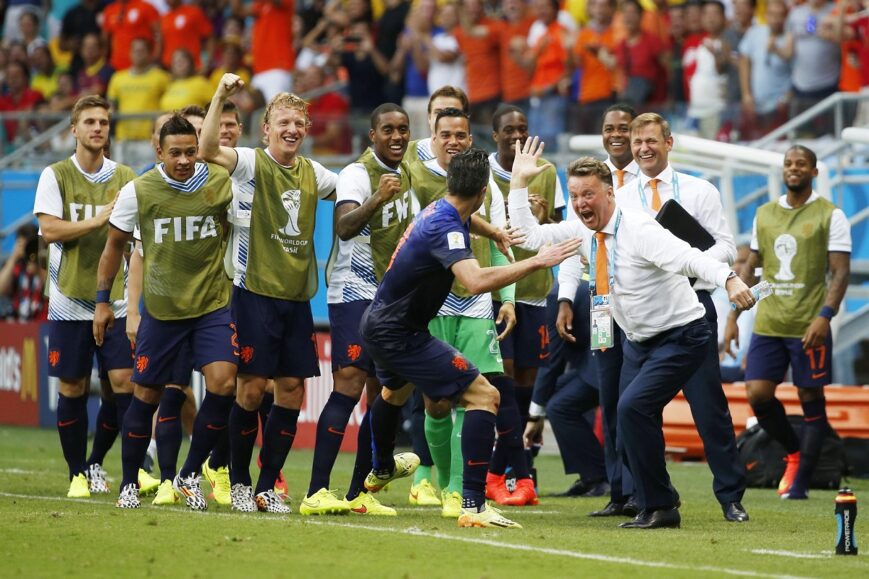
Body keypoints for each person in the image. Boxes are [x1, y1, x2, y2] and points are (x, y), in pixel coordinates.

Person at [509, 139, 755, 529]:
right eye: (574, 195)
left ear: (610, 192)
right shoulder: (584, 231)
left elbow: (689, 256)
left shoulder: (639, 227)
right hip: (636, 340)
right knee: (627, 417)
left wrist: (729, 279)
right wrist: (519, 184)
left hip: (682, 334)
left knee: (640, 409)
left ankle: (678, 504)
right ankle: (655, 500)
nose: (580, 203)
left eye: (588, 194)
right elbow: (526, 236)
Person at [360, 147, 581, 529]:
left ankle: (380, 468)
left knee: (394, 394)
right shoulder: (445, 226)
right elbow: (475, 281)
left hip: (380, 324)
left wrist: (493, 230)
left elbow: (468, 219)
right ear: (483, 191)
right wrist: (535, 261)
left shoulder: (442, 208)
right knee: (485, 395)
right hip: (400, 333)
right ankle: (474, 504)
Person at [200, 73, 339, 513]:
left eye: (299, 123)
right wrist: (221, 95)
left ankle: (265, 487)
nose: (292, 130)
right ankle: (237, 482)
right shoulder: (249, 162)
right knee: (251, 389)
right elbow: (206, 150)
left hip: (296, 300)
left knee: (293, 389)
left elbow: (353, 193)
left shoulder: (315, 174)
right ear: (266, 129)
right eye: (283, 122)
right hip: (253, 292)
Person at [94, 114, 237, 510]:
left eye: (191, 151)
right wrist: (105, 302)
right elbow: (114, 249)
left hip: (211, 305)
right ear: (158, 151)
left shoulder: (219, 182)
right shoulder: (139, 191)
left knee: (224, 384)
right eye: (175, 153)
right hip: (162, 310)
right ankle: (128, 482)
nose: (185, 160)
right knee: (146, 395)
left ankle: (190, 474)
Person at [612, 112, 748, 523]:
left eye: (651, 140)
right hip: (643, 317)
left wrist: (693, 264)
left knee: (709, 409)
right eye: (637, 143)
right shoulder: (619, 196)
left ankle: (730, 497)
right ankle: (649, 497)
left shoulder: (698, 189)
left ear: (669, 142)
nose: (643, 149)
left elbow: (726, 245)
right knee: (632, 409)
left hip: (691, 308)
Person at [411, 107, 537, 511]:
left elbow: (503, 244)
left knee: (475, 394)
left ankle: (456, 491)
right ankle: (436, 478)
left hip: (476, 304)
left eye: (461, 134)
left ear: (469, 137)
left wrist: (510, 300)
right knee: (435, 401)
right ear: (433, 136)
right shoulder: (417, 177)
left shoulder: (488, 185)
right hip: (433, 305)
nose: (453, 141)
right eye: (445, 134)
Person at [300, 103, 414, 518]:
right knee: (348, 385)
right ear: (372, 135)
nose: (397, 136)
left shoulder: (411, 173)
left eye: (403, 129)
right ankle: (315, 491)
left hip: (391, 297)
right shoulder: (356, 174)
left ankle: (358, 493)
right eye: (388, 130)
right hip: (353, 291)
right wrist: (379, 197)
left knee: (381, 393)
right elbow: (345, 226)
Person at [725, 145, 851, 500]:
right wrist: (734, 315)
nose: (793, 169)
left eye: (801, 164)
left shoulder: (831, 215)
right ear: (783, 170)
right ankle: (793, 453)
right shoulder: (764, 214)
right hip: (769, 321)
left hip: (808, 323)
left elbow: (840, 274)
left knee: (810, 396)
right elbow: (750, 267)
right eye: (788, 164)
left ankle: (800, 482)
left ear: (814, 172)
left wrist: (824, 317)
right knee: (757, 394)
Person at [32, 95, 138, 499]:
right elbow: (50, 231)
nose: (98, 128)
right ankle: (78, 472)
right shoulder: (55, 175)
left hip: (116, 299)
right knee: (72, 387)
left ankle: (118, 470)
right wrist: (97, 220)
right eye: (90, 122)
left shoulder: (125, 175)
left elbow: (135, 237)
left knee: (124, 383)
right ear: (73, 130)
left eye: (104, 123)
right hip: (67, 299)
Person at [487, 102, 565, 499]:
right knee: (503, 380)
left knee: (526, 382)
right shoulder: (482, 172)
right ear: (495, 134)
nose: (517, 136)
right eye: (509, 130)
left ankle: (509, 469)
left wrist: (543, 219)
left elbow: (565, 229)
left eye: (523, 128)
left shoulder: (548, 172)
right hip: (497, 292)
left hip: (535, 292)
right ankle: (514, 471)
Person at [106, 38, 171, 142]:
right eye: (135, 51)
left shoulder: (163, 77)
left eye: (142, 51)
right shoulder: (117, 78)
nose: (138, 54)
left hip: (151, 138)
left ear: (150, 54)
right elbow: (111, 106)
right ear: (130, 53)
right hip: (123, 138)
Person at [0, 223, 47, 322]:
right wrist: (13, 258)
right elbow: (1, 289)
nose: (26, 249)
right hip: (18, 325)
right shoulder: (15, 265)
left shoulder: (44, 262)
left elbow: (50, 290)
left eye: (29, 245)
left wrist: (37, 266)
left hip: (42, 324)